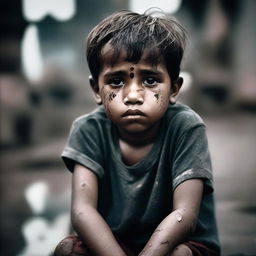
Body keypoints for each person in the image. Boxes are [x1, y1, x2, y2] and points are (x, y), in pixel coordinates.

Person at [54, 10, 220, 256]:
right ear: (96, 89)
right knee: (68, 250)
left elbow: (184, 215)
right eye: (117, 81)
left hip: (181, 244)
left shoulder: (186, 127)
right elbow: (82, 211)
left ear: (174, 88)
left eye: (150, 80)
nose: (133, 96)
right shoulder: (88, 129)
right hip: (114, 244)